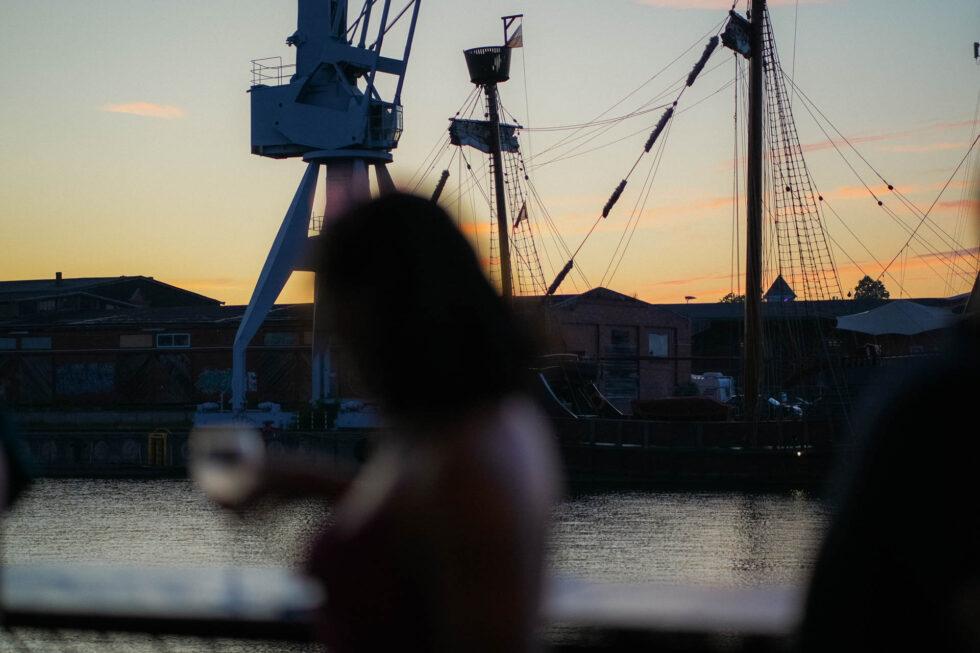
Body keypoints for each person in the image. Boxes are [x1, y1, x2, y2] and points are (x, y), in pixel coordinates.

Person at [244, 193, 561, 652]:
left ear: (389, 309)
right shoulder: (480, 422)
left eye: (337, 300)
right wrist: (320, 485)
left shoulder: (468, 463)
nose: (330, 327)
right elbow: (423, 538)